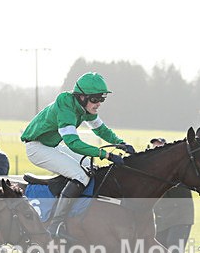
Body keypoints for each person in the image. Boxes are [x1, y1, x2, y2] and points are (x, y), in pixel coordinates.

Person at [20, 72, 136, 240]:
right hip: (36, 148)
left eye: (102, 99)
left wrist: (121, 143)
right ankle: (55, 225)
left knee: (89, 165)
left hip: (51, 145)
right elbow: (73, 143)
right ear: (82, 97)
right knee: (80, 175)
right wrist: (106, 154)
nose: (99, 104)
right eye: (96, 99)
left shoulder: (84, 108)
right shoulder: (65, 106)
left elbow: (100, 130)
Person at [151, 137, 195, 253]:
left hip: (180, 217)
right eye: (154, 147)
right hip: (162, 218)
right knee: (160, 249)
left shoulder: (178, 168)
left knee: (174, 248)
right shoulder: (155, 169)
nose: (156, 150)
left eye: (160, 147)